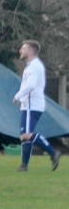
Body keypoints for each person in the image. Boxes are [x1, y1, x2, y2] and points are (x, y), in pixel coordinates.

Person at [13, 40, 61, 172]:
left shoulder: (34, 66)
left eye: (23, 48)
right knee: (24, 136)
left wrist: (18, 95)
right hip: (29, 104)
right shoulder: (31, 65)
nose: (20, 51)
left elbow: (31, 85)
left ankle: (53, 153)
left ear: (30, 51)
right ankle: (24, 165)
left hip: (31, 104)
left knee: (27, 134)